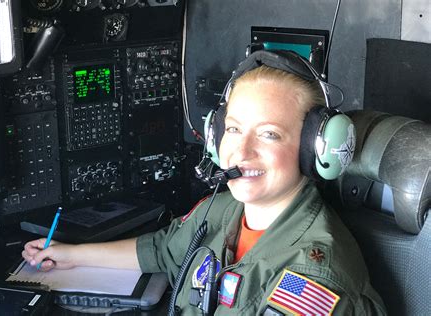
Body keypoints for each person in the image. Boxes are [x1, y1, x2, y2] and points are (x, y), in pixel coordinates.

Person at [23, 50, 386, 315]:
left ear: (313, 151)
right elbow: (165, 249)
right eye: (233, 129)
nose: (241, 150)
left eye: (270, 134)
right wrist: (70, 255)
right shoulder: (224, 209)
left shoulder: (311, 280)